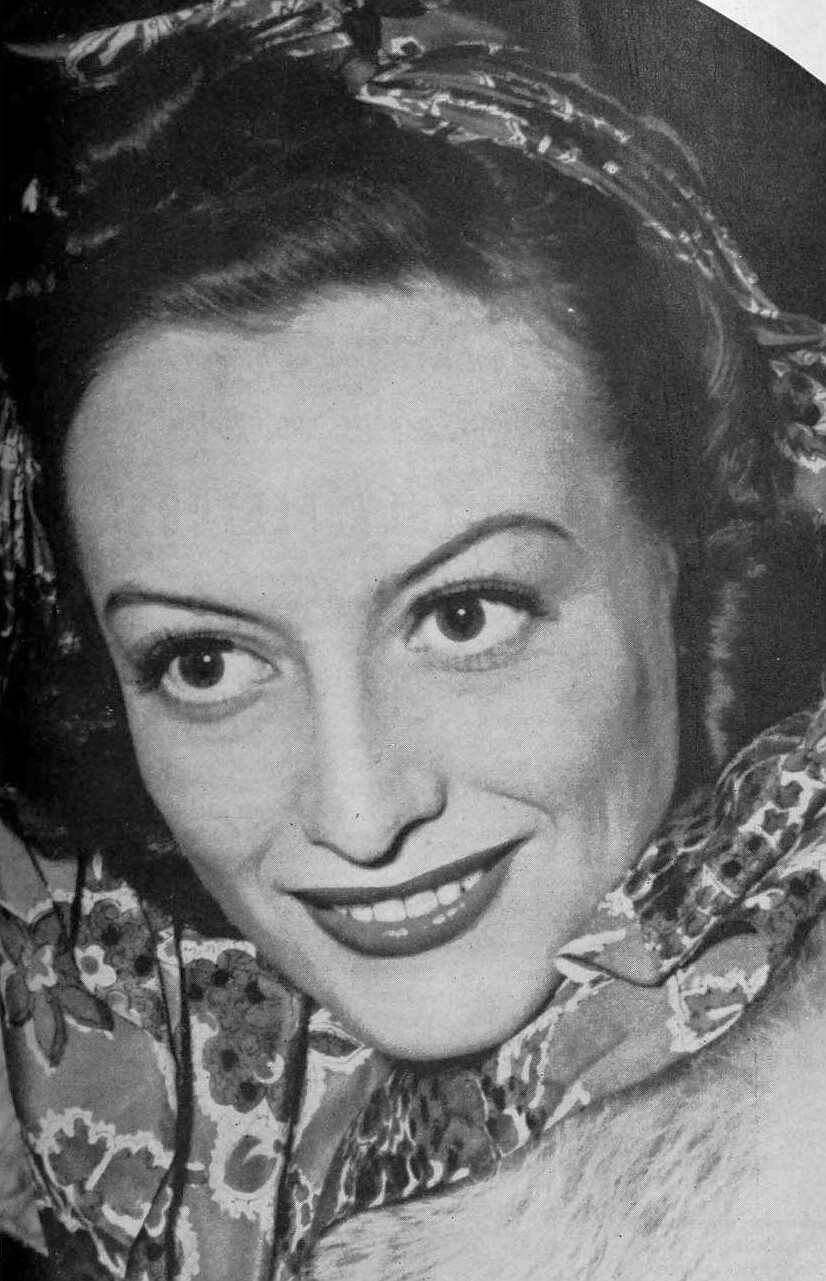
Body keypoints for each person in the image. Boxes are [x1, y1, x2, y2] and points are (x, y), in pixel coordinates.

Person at [1, 2, 826, 1278]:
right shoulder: (100, 1024)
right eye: (205, 663)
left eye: (461, 615)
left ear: (684, 538)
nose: (359, 812)